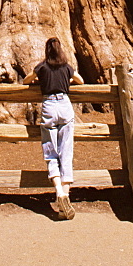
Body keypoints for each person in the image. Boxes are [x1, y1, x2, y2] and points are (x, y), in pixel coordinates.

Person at [23, 37, 84, 220]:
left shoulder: (42, 67)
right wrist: (67, 81)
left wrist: (37, 80)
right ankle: (65, 198)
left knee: (50, 151)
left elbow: (26, 80)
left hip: (49, 106)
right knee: (66, 151)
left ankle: (59, 192)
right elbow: (79, 80)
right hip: (65, 105)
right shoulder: (66, 67)